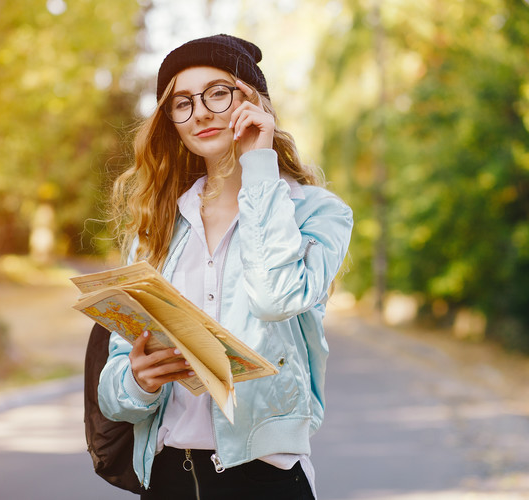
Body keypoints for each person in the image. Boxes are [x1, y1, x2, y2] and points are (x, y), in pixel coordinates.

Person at [98, 34, 353, 499]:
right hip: (169, 476)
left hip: (266, 478)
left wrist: (259, 163)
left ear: (254, 102)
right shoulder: (155, 226)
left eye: (218, 92)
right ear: (170, 121)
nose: (200, 112)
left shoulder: (317, 213)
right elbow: (113, 394)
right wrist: (138, 381)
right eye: (182, 103)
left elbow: (274, 298)